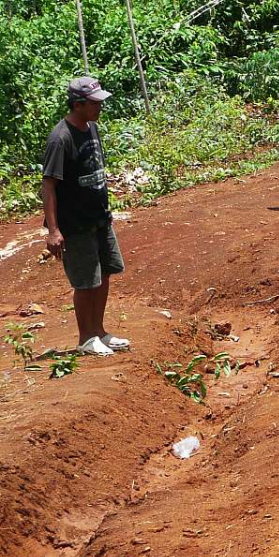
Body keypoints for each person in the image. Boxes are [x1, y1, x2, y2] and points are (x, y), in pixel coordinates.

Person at [41, 77, 129, 356]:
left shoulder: (92, 127)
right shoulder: (61, 138)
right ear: (78, 105)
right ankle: (86, 338)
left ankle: (100, 331)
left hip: (100, 218)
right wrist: (54, 231)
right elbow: (49, 186)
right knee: (85, 281)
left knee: (104, 274)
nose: (100, 107)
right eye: (94, 103)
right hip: (75, 224)